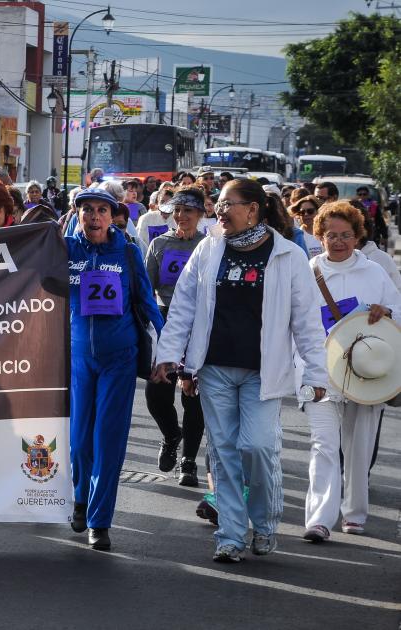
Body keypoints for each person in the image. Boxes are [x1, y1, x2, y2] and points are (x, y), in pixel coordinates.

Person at [152, 178, 328, 563]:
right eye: (220, 203)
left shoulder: (288, 256)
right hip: (214, 368)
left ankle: (264, 524)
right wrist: (168, 355)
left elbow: (307, 322)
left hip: (263, 372)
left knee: (258, 446)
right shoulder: (210, 247)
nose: (219, 210)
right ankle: (230, 535)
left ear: (252, 210)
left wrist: (316, 373)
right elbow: (184, 305)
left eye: (228, 203)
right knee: (225, 452)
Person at [67, 188, 164, 551]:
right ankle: (79, 498)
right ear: (77, 214)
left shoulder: (127, 251)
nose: (94, 216)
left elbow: (146, 303)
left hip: (119, 358)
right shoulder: (64, 250)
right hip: (77, 359)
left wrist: (164, 352)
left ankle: (100, 520)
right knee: (78, 442)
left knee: (108, 440)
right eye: (87, 209)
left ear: (112, 216)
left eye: (101, 210)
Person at [302, 201, 401, 542]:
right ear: (320, 235)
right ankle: (319, 519)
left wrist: (387, 310)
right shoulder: (308, 271)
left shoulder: (373, 271)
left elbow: (399, 311)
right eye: (332, 235)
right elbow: (294, 324)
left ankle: (355, 513)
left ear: (358, 236)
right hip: (321, 373)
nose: (339, 242)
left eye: (346, 235)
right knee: (323, 445)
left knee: (359, 447)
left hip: (368, 374)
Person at [143, 187, 207, 486]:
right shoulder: (159, 243)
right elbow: (146, 290)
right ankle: (171, 435)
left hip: (198, 323)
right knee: (156, 394)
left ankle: (189, 460)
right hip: (165, 319)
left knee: (193, 395)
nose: (181, 216)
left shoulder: (209, 246)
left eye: (188, 211)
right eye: (177, 210)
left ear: (201, 214)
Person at [358, 213, 401, 292]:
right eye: (332, 235)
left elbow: (397, 291)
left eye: (346, 234)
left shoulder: (381, 260)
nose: (338, 240)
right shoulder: (328, 264)